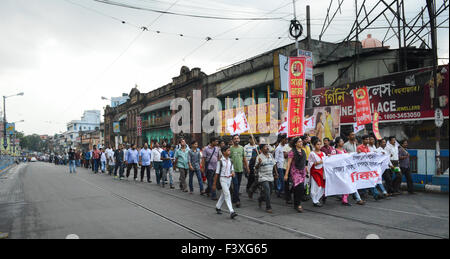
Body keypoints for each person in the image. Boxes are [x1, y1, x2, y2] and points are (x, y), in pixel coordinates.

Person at [212, 145, 238, 219]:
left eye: (230, 150)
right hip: (222, 179)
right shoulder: (220, 161)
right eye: (228, 150)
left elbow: (232, 169)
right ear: (223, 152)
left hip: (229, 179)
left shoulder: (230, 160)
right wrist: (214, 184)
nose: (229, 151)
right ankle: (232, 211)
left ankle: (218, 206)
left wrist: (233, 173)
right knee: (227, 194)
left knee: (223, 195)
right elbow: (217, 173)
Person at [285, 137, 307, 212]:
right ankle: (298, 204)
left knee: (298, 189)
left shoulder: (303, 151)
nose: (301, 143)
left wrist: (307, 171)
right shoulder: (292, 152)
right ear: (295, 143)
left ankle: (296, 203)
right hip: (295, 172)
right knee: (300, 187)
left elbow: (305, 162)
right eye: (299, 142)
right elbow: (289, 163)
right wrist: (286, 174)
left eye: (301, 141)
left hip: (302, 171)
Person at [255, 143, 278, 213]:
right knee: (267, 190)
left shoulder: (271, 155)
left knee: (270, 191)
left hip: (270, 176)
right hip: (263, 177)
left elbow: (274, 164)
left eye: (267, 147)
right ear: (261, 149)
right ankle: (268, 207)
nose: (267, 148)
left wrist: (276, 173)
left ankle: (261, 198)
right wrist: (259, 163)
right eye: (265, 147)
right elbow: (256, 168)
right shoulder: (259, 157)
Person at [229, 135, 249, 208]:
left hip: (240, 169)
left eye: (237, 138)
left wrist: (247, 168)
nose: (236, 140)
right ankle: (237, 200)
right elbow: (228, 159)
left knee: (238, 185)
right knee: (236, 184)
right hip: (233, 170)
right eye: (235, 139)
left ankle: (234, 198)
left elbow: (244, 158)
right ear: (233, 140)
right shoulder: (230, 149)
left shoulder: (242, 148)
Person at [308, 137, 326, 207]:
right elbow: (310, 163)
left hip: (321, 171)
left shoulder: (323, 153)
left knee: (321, 186)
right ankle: (314, 200)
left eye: (320, 144)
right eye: (317, 144)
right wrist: (318, 162)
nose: (319, 146)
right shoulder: (312, 153)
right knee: (315, 187)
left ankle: (317, 199)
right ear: (314, 145)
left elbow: (326, 162)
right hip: (315, 172)